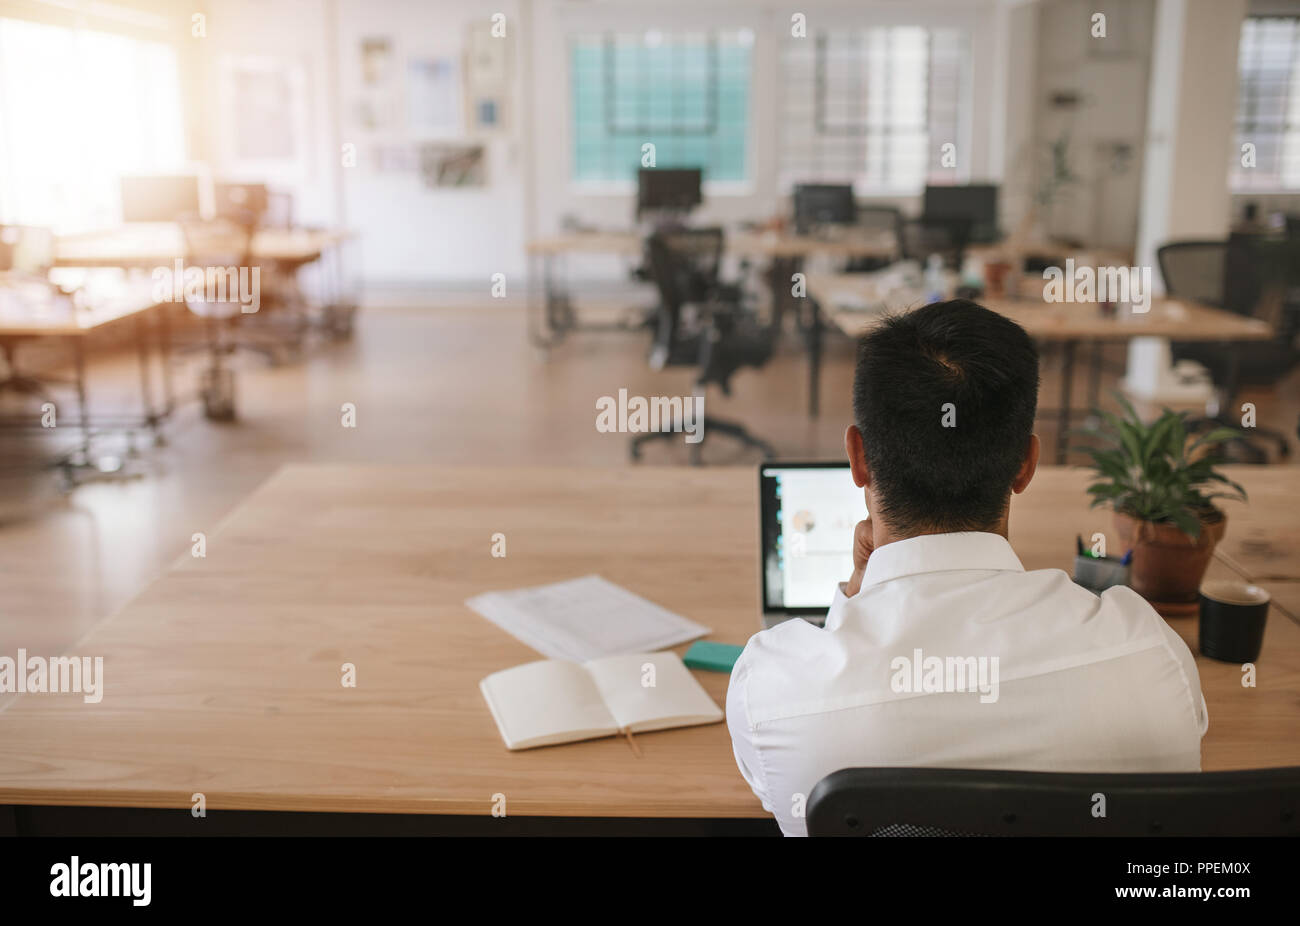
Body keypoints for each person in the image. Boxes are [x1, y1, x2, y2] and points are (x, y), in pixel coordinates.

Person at [726, 300, 1207, 836]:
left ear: (858, 459)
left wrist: (856, 596)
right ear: (1026, 464)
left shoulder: (774, 690)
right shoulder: (1149, 657)